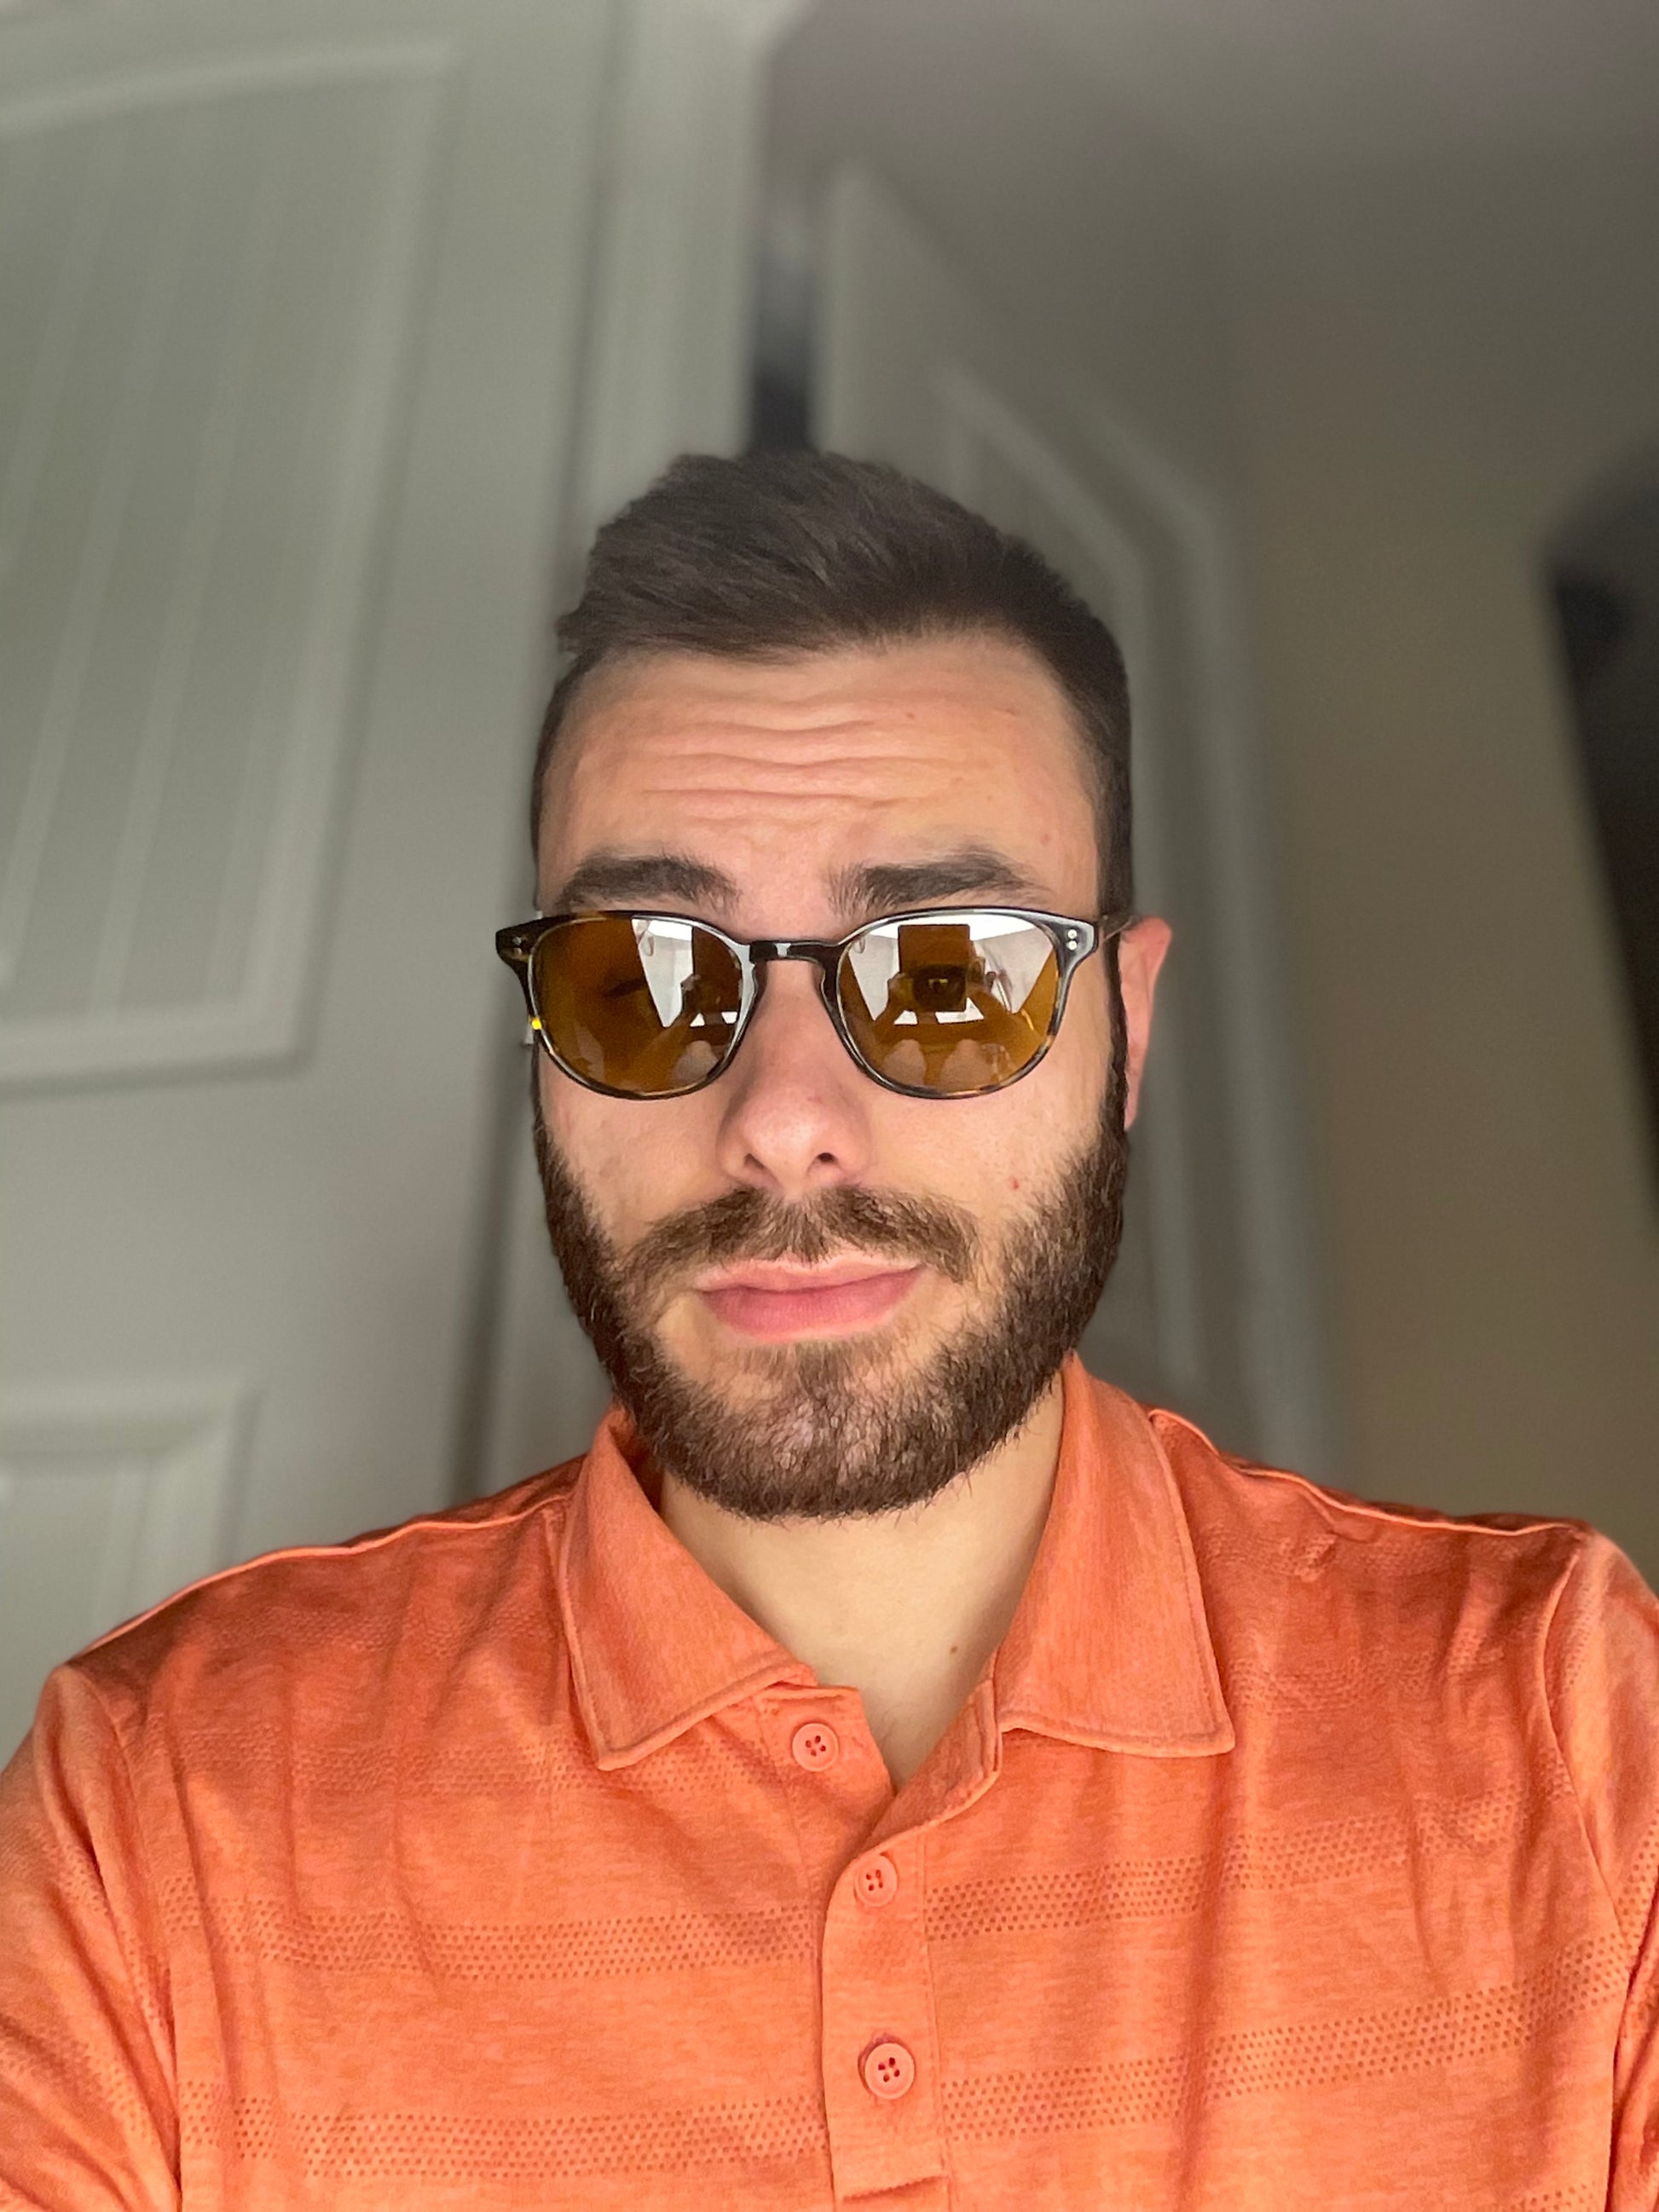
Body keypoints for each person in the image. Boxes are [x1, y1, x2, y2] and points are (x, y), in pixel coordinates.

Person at [2, 451, 1655, 2210]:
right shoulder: (163, 1811)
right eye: (643, 974)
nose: (785, 1121)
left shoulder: (1558, 1737)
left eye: (947, 972)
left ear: (1129, 1027)